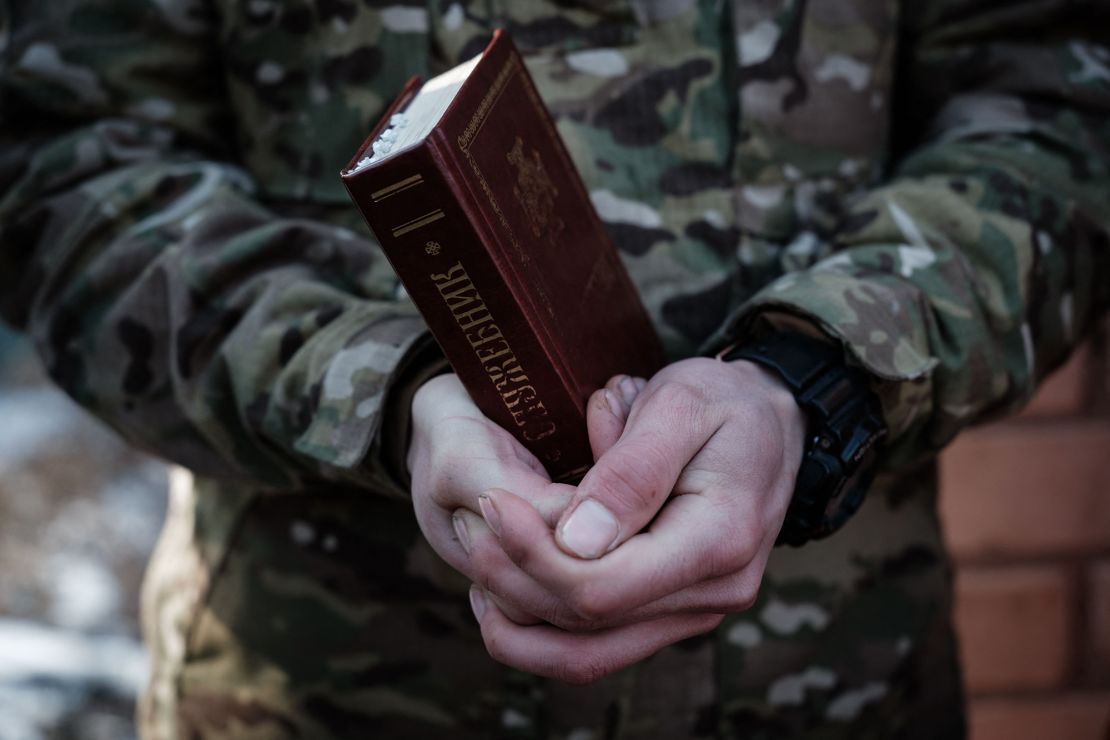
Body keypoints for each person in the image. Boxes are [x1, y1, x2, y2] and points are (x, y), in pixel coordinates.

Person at [2, 0, 1108, 737]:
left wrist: (818, 374)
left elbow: (1061, 114)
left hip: (838, 686)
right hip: (318, 693)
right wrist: (384, 388)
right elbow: (62, 161)